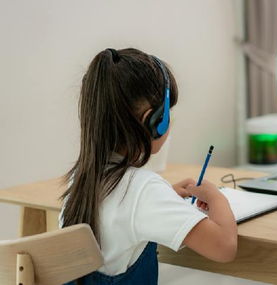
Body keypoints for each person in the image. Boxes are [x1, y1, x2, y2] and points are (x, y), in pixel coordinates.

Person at [60, 48, 237, 285]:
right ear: (154, 122)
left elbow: (124, 214)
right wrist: (217, 198)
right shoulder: (143, 189)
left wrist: (166, 196)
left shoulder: (80, 180)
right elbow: (224, 247)